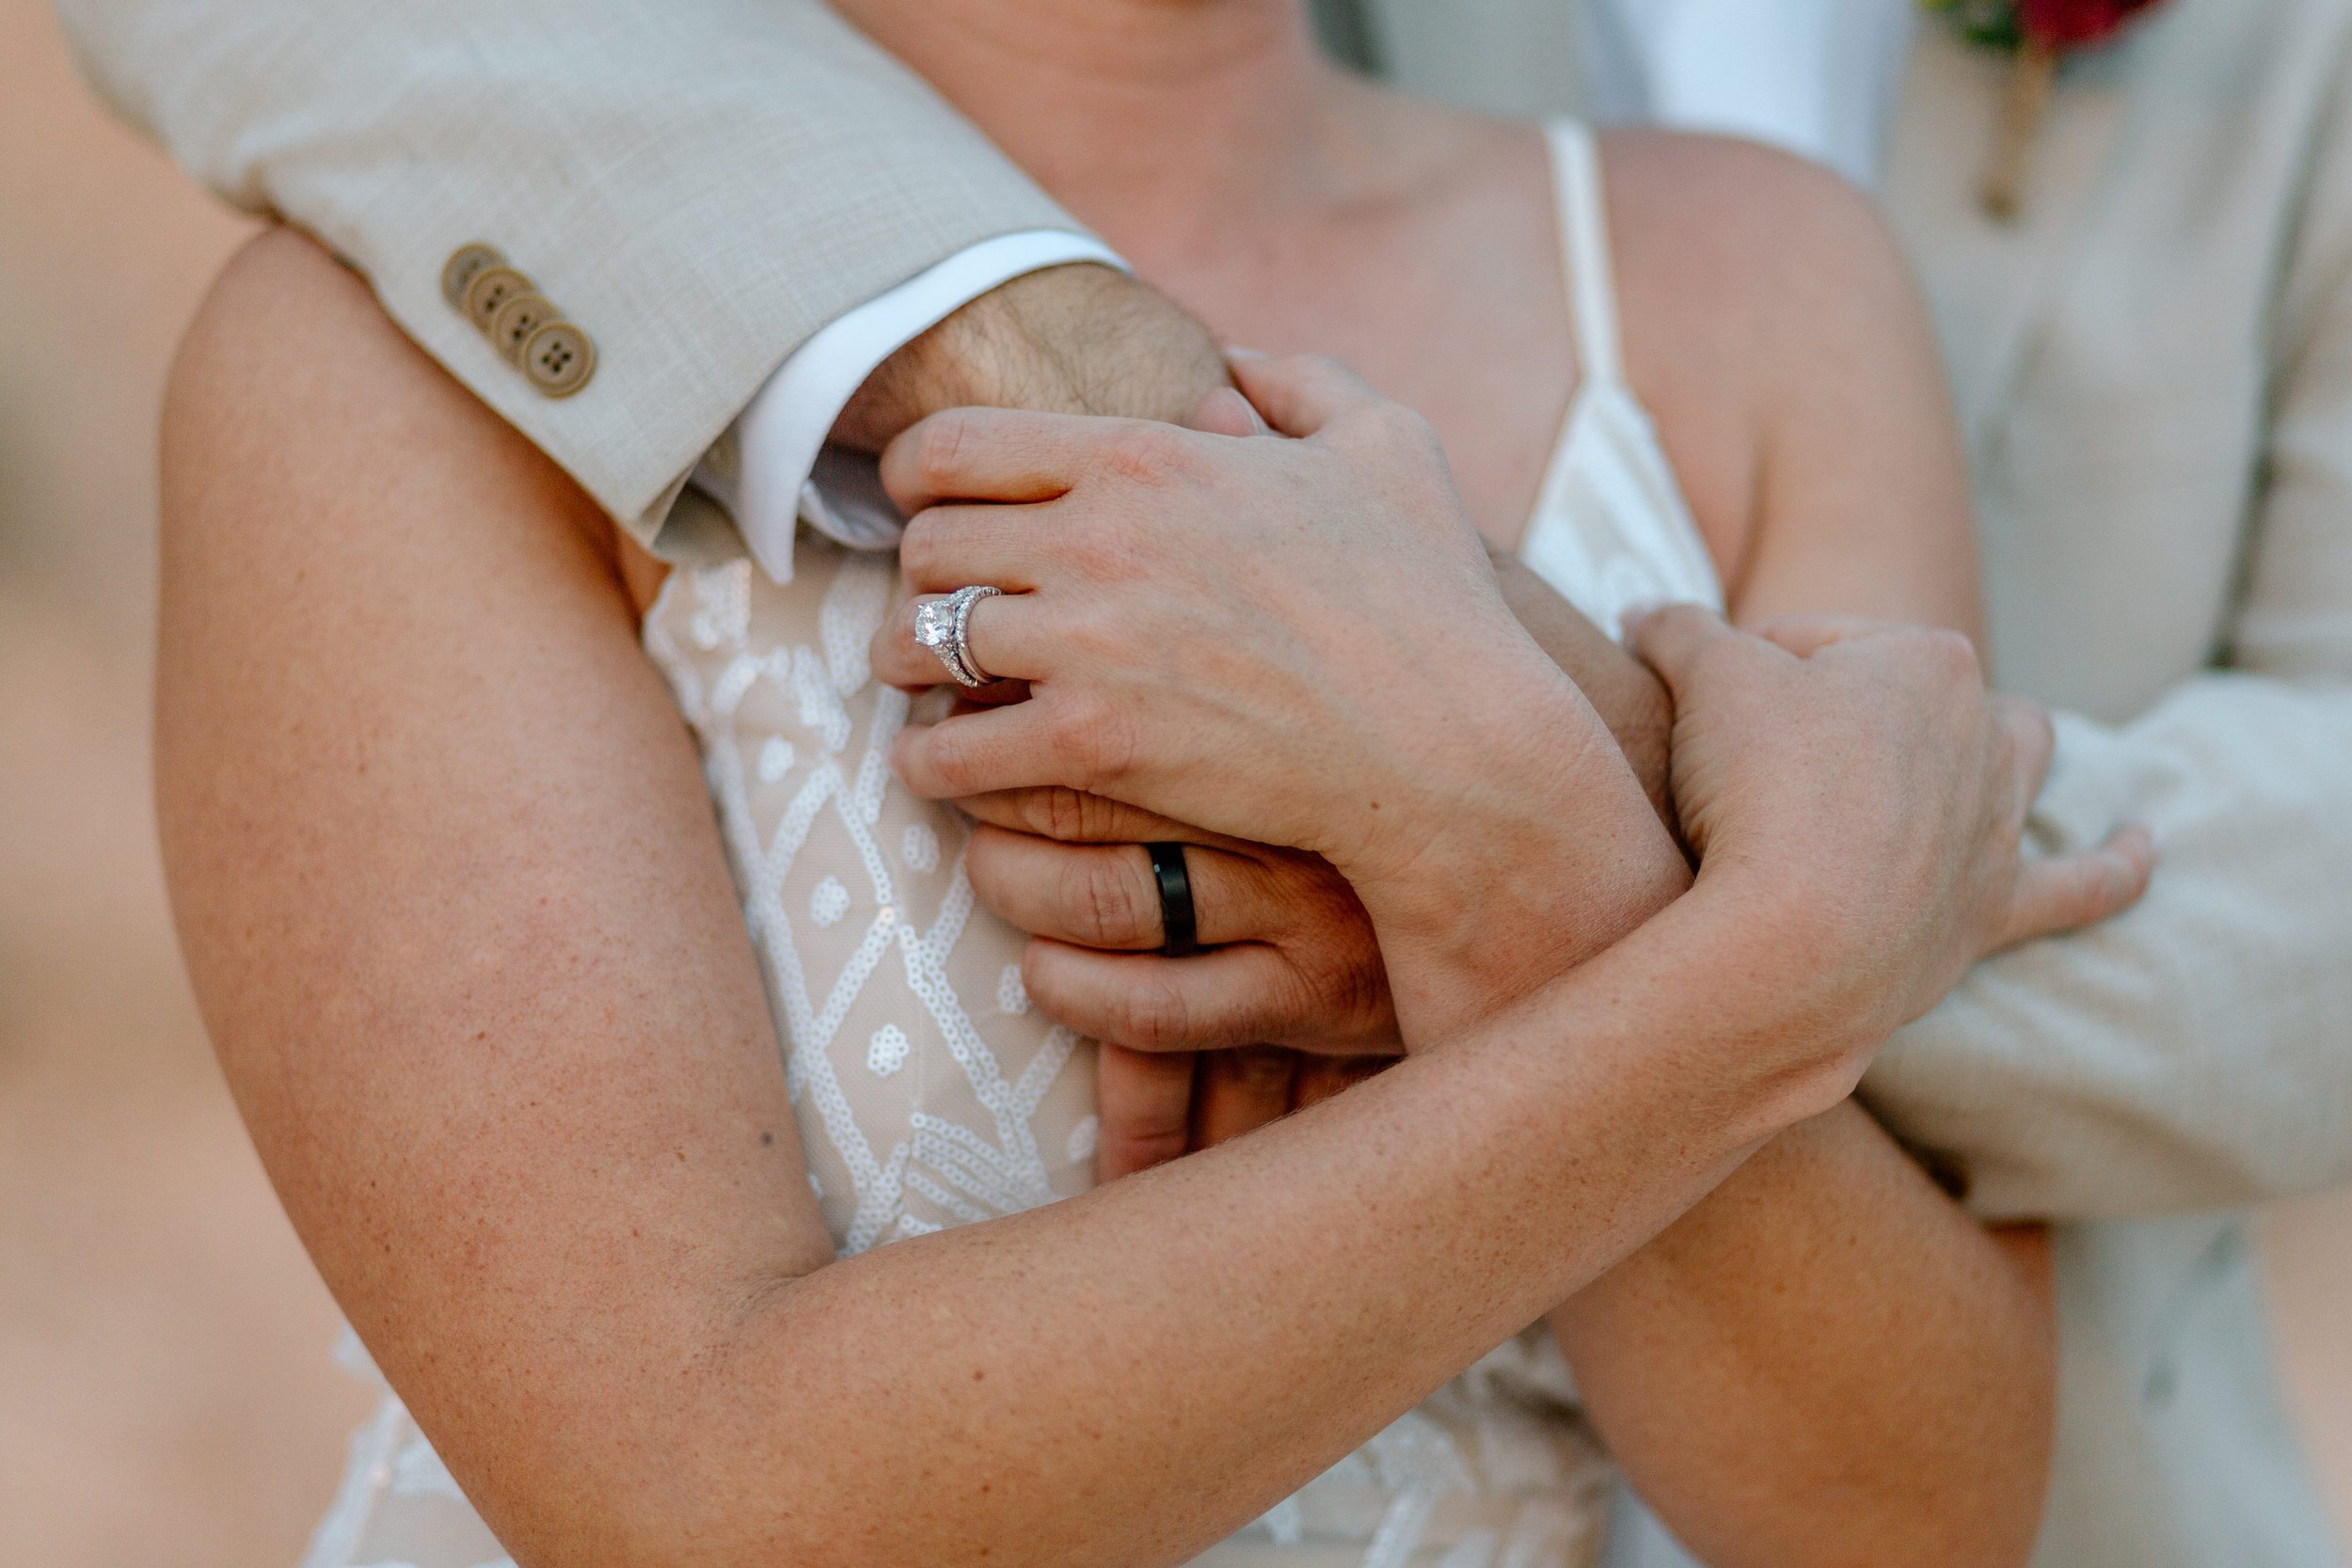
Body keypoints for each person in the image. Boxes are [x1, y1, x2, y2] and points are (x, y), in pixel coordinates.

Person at [57, 0, 2350, 1561]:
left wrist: (1506, 845)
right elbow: (698, 1506)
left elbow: (1905, 1514)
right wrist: (1756, 965)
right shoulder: (386, 363)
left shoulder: (1749, 286)